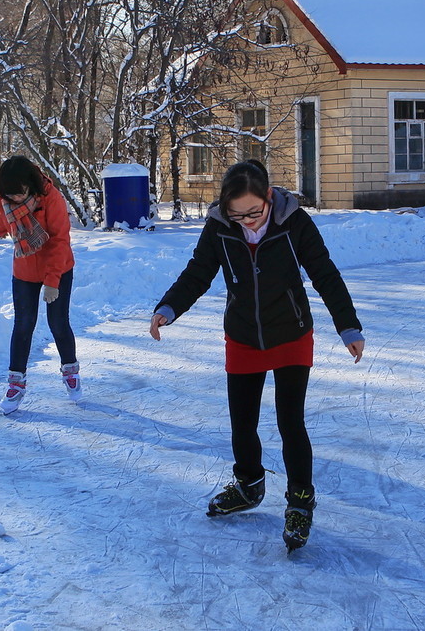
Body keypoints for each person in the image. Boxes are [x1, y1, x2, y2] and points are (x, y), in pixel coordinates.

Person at [149, 159, 364, 552]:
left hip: (291, 332)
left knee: (290, 422)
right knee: (242, 422)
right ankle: (248, 484)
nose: (246, 222)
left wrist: (347, 325)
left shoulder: (294, 223)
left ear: (268, 198)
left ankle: (300, 501)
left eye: (254, 212)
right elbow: (198, 273)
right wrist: (169, 308)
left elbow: (325, 273)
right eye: (237, 214)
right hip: (244, 334)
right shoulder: (219, 226)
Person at [0, 156, 80, 414]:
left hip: (58, 266)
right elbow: (2, 215)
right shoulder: (4, 196)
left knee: (58, 323)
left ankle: (70, 371)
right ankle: (16, 383)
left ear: (30, 185)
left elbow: (60, 241)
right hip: (25, 268)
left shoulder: (51, 198)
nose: (14, 200)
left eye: (19, 195)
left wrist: (53, 282)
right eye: (10, 196)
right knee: (23, 324)